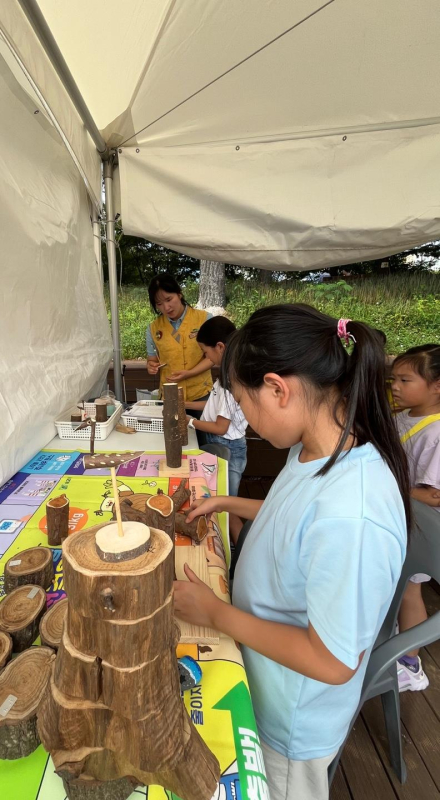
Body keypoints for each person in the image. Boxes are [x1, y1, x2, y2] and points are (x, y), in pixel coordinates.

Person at [174, 305, 410, 800]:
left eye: (244, 401)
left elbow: (332, 661)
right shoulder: (314, 449)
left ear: (279, 389)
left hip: (291, 718)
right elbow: (292, 518)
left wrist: (216, 612)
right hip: (263, 677)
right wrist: (226, 501)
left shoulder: (354, 512)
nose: (248, 419)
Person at [390, 344, 440, 692]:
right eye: (394, 378)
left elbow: (435, 494)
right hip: (398, 517)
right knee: (395, 583)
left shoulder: (435, 432)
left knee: (410, 590)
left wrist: (385, 485)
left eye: (405, 380)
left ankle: (409, 662)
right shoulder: (402, 415)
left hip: (421, 526)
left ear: (437, 386)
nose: (395, 386)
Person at [185, 316, 248, 541]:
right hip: (222, 446)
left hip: (229, 449)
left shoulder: (232, 379)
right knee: (222, 504)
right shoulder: (226, 376)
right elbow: (212, 405)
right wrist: (184, 405)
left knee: (228, 509)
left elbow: (221, 427)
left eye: (206, 351)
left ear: (220, 347)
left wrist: (190, 422)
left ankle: (241, 553)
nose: (206, 357)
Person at [145, 274, 213, 413]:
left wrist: (189, 373)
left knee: (202, 433)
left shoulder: (204, 319)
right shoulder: (153, 328)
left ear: (179, 294)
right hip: (171, 396)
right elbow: (152, 360)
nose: (166, 307)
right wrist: (151, 366)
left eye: (169, 299)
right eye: (159, 304)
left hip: (201, 394)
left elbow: (213, 357)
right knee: (173, 434)